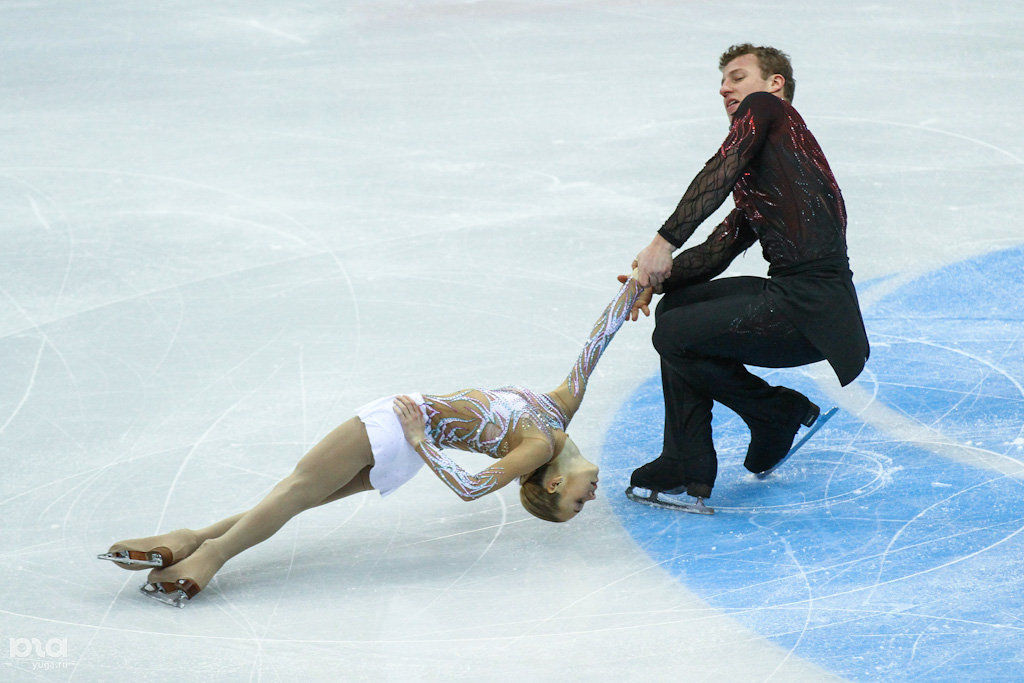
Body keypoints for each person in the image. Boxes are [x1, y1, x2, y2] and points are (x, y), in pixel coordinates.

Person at [98, 272, 651, 607]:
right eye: (583, 503)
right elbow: (594, 345)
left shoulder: (538, 447)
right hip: (402, 449)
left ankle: (204, 560)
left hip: (398, 428)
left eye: (577, 502)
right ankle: (186, 538)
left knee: (292, 492)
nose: (591, 496)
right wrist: (634, 291)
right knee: (292, 498)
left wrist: (420, 438)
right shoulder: (560, 410)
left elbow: (470, 486)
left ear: (552, 482)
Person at [625, 43, 869, 507]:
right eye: (723, 82)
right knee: (678, 308)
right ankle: (685, 456)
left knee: (674, 332)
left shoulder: (767, 110)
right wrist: (654, 280)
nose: (724, 88)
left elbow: (719, 170)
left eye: (737, 77)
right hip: (799, 299)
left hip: (811, 307)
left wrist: (662, 243)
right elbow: (719, 250)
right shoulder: (776, 165)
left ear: (774, 84)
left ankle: (773, 413)